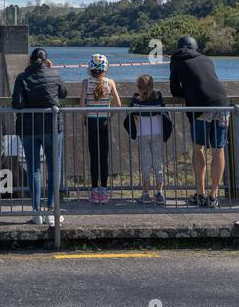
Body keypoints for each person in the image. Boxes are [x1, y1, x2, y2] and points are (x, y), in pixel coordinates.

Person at [169, 35, 230, 208]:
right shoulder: (207, 59)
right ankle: (214, 196)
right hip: (223, 103)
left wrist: (188, 90)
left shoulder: (177, 59)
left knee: (199, 148)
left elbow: (174, 89)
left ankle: (201, 193)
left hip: (201, 106)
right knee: (219, 149)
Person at [10, 47, 67, 225]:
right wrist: (51, 70)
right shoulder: (54, 74)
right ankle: (52, 211)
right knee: (53, 169)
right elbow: (63, 93)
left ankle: (36, 213)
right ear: (46, 60)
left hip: (29, 128)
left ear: (30, 60)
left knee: (33, 169)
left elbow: (17, 103)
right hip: (52, 126)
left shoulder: (22, 77)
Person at [125, 74, 172, 206]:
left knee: (145, 164)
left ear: (138, 87)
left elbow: (130, 113)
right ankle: (159, 193)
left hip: (142, 134)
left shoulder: (136, 103)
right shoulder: (158, 99)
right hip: (157, 133)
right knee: (158, 164)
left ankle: (146, 193)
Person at [81, 54, 121, 204]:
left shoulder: (86, 83)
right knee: (104, 157)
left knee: (94, 157)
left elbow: (82, 104)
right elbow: (118, 104)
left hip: (91, 122)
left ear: (90, 68)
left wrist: (84, 117)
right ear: (106, 68)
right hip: (104, 122)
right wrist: (110, 116)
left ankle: (94, 191)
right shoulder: (110, 82)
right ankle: (104, 191)